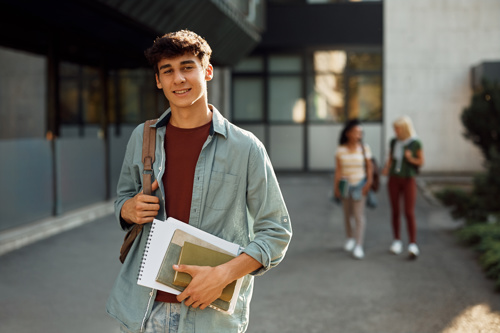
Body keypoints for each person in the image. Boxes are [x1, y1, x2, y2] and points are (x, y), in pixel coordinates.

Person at [106, 30, 292, 333]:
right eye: (168, 71)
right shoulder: (143, 137)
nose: (178, 78)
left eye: (187, 67)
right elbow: (122, 200)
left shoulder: (246, 147)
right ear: (158, 80)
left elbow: (276, 231)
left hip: (209, 315)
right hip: (144, 310)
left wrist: (223, 275)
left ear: (207, 71)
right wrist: (129, 208)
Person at [382, 116, 424, 259]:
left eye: (398, 128)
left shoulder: (415, 143)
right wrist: (386, 168)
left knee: (409, 212)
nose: (395, 131)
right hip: (394, 179)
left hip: (408, 179)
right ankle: (397, 241)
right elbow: (390, 159)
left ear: (405, 129)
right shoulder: (394, 142)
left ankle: (412, 244)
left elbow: (420, 161)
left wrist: (410, 158)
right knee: (395, 210)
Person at [333, 119, 373, 259]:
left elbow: (369, 167)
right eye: (356, 132)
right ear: (348, 133)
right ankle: (350, 238)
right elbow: (338, 170)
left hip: (359, 185)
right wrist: (336, 187)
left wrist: (368, 184)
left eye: (360, 132)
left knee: (358, 216)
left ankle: (358, 245)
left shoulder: (364, 148)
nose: (359, 135)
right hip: (345, 186)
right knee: (347, 214)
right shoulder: (340, 149)